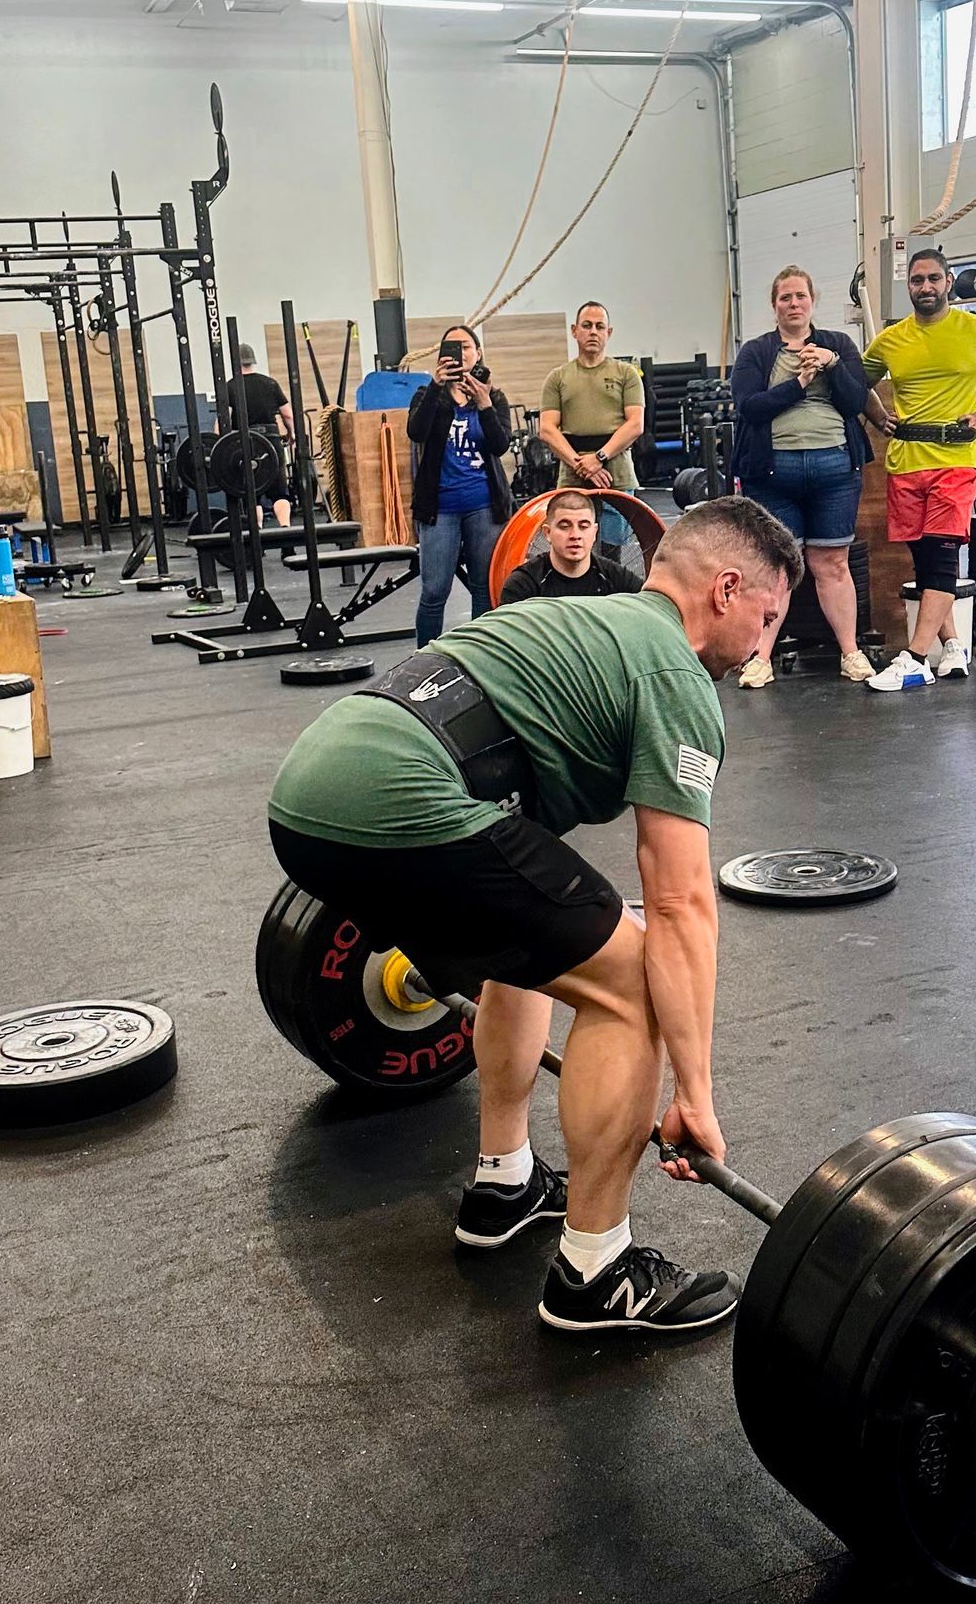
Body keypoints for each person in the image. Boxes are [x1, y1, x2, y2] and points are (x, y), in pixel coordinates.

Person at [267, 498, 803, 1337]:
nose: (763, 645)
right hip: (399, 801)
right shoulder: (673, 674)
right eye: (767, 620)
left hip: (308, 800)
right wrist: (695, 1094)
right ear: (727, 590)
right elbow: (680, 903)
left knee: (539, 946)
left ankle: (503, 1180)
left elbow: (534, 892)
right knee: (631, 983)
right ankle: (597, 1270)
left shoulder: (576, 624)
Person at [864, 247, 976, 689]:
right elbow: (856, 383)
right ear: (909, 286)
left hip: (956, 459)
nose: (925, 287)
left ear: (948, 282)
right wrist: (875, 414)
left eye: (932, 279)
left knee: (944, 557)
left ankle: (915, 659)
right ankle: (954, 646)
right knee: (924, 562)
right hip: (906, 460)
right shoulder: (891, 339)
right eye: (916, 280)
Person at [729, 265, 878, 687]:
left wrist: (831, 365)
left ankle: (851, 653)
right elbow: (750, 408)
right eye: (785, 298)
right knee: (778, 567)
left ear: (812, 301)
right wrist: (799, 383)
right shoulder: (756, 353)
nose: (793, 304)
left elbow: (854, 402)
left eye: (800, 296)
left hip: (835, 472)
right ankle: (760, 658)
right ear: (774, 306)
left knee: (832, 564)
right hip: (773, 475)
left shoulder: (839, 345)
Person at [406, 326, 513, 647]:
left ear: (478, 353)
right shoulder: (427, 395)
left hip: (484, 505)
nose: (461, 353)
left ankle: (479, 657)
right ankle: (423, 658)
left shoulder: (494, 397)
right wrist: (436, 386)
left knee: (483, 586)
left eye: (467, 346)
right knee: (434, 589)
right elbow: (416, 432)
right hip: (439, 507)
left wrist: (484, 405)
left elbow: (500, 444)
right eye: (452, 348)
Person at [538, 303, 646, 508]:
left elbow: (635, 424)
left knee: (614, 540)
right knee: (573, 538)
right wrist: (583, 465)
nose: (593, 332)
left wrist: (599, 457)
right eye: (587, 325)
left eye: (599, 326)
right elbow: (547, 429)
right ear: (574, 330)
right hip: (572, 477)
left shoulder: (626, 374)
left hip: (616, 477)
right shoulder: (558, 377)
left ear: (609, 332)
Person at [498, 487, 644, 604]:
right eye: (564, 526)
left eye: (583, 526)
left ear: (594, 532)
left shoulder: (615, 578)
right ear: (547, 533)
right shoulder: (523, 585)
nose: (575, 535)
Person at [223, 342, 295, 524]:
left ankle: (258, 539)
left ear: (236, 362)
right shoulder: (270, 383)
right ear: (253, 361)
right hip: (270, 440)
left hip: (245, 442)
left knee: (252, 493)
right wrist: (292, 434)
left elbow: (223, 418)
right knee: (280, 492)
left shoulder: (230, 386)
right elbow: (287, 414)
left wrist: (221, 445)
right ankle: (286, 532)